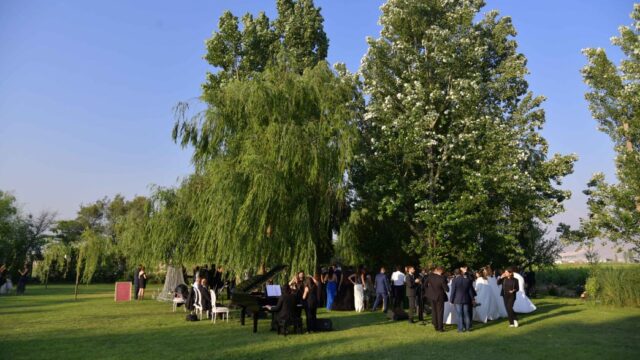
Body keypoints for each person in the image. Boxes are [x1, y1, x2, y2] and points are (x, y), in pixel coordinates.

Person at [449, 268, 475, 333]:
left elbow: (453, 291)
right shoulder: (467, 280)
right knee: (466, 314)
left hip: (457, 299)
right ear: (461, 273)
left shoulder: (454, 280)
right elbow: (470, 291)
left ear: (455, 273)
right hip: (466, 299)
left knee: (459, 315)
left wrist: (451, 300)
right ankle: (468, 328)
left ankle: (460, 329)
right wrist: (472, 299)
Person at [425, 266, 449, 332]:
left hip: (432, 296)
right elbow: (447, 289)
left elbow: (425, 284)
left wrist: (429, 291)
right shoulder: (442, 278)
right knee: (440, 312)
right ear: (441, 271)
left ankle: (436, 326)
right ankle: (440, 328)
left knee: (434, 311)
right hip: (439, 297)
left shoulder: (430, 276)